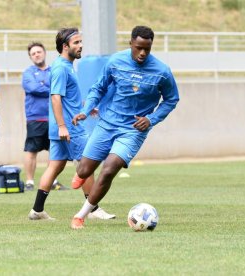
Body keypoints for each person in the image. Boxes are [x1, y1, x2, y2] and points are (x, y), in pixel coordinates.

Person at [70, 26, 180, 229]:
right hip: (108, 123)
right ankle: (80, 173)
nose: (142, 53)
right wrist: (86, 109)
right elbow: (98, 88)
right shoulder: (115, 62)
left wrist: (151, 119)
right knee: (84, 169)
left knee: (109, 169)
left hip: (133, 130)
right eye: (138, 48)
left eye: (147, 49)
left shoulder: (162, 71)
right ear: (130, 43)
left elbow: (172, 99)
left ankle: (81, 215)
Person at [28, 27, 115, 220]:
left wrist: (85, 108)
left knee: (55, 166)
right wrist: (62, 126)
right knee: (88, 163)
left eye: (80, 42)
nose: (80, 45)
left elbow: (68, 99)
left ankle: (37, 210)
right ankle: (93, 210)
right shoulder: (60, 68)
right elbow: (56, 98)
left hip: (63, 125)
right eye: (76, 43)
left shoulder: (66, 65)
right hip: (69, 127)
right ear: (65, 46)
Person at [22, 41, 68, 191]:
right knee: (31, 150)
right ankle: (29, 182)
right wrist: (49, 88)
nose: (37, 55)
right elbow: (33, 88)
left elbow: (61, 87)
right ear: (30, 57)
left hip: (53, 117)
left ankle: (52, 181)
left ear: (44, 53)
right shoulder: (28, 73)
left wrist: (43, 85)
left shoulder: (54, 70)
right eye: (33, 53)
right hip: (35, 118)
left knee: (53, 150)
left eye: (38, 52)